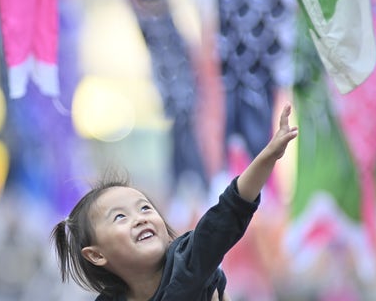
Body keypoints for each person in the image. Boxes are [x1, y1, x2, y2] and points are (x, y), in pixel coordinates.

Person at [51, 104, 298, 300]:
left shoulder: (188, 261)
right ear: (96, 255)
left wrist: (268, 156)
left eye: (145, 207)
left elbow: (229, 211)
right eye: (120, 217)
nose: (140, 218)